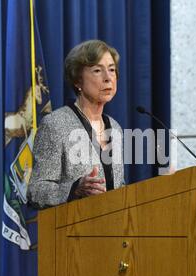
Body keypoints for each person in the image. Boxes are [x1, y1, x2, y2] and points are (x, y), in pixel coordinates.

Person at [27, 40, 125, 209]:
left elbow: (117, 185)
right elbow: (35, 191)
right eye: (97, 70)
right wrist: (74, 189)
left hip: (113, 230)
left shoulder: (114, 128)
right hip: (73, 232)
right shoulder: (55, 125)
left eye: (111, 70)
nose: (108, 78)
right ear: (77, 81)